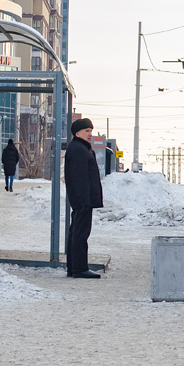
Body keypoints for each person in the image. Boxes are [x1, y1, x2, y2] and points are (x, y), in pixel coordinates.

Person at [64, 118, 103, 279]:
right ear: (77, 133)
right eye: (87, 131)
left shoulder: (80, 148)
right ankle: (79, 268)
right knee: (81, 234)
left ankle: (74, 268)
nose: (90, 134)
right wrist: (83, 201)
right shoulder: (80, 150)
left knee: (76, 232)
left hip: (82, 199)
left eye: (91, 131)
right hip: (82, 200)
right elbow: (79, 178)